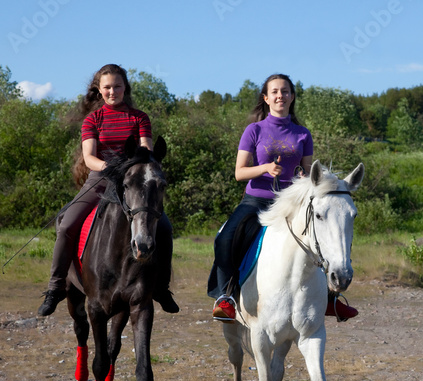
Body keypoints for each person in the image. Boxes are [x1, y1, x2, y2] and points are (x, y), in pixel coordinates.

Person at [208, 73, 358, 322]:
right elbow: (239, 172)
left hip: (292, 203)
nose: (281, 95)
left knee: (324, 237)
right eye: (275, 92)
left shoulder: (303, 134)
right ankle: (226, 297)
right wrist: (264, 168)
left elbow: (311, 176)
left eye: (285, 91)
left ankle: (330, 298)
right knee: (225, 239)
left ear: (292, 97)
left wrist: (302, 176)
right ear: (266, 98)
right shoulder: (253, 130)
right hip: (256, 200)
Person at [38, 64, 178, 316]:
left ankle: (161, 288)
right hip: (101, 178)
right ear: (99, 90)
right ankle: (56, 286)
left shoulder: (139, 117)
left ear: (125, 88)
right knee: (68, 224)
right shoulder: (93, 119)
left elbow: (145, 150)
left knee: (165, 228)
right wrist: (110, 167)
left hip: (133, 180)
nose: (112, 91)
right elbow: (89, 157)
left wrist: (137, 167)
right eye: (107, 87)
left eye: (117, 86)